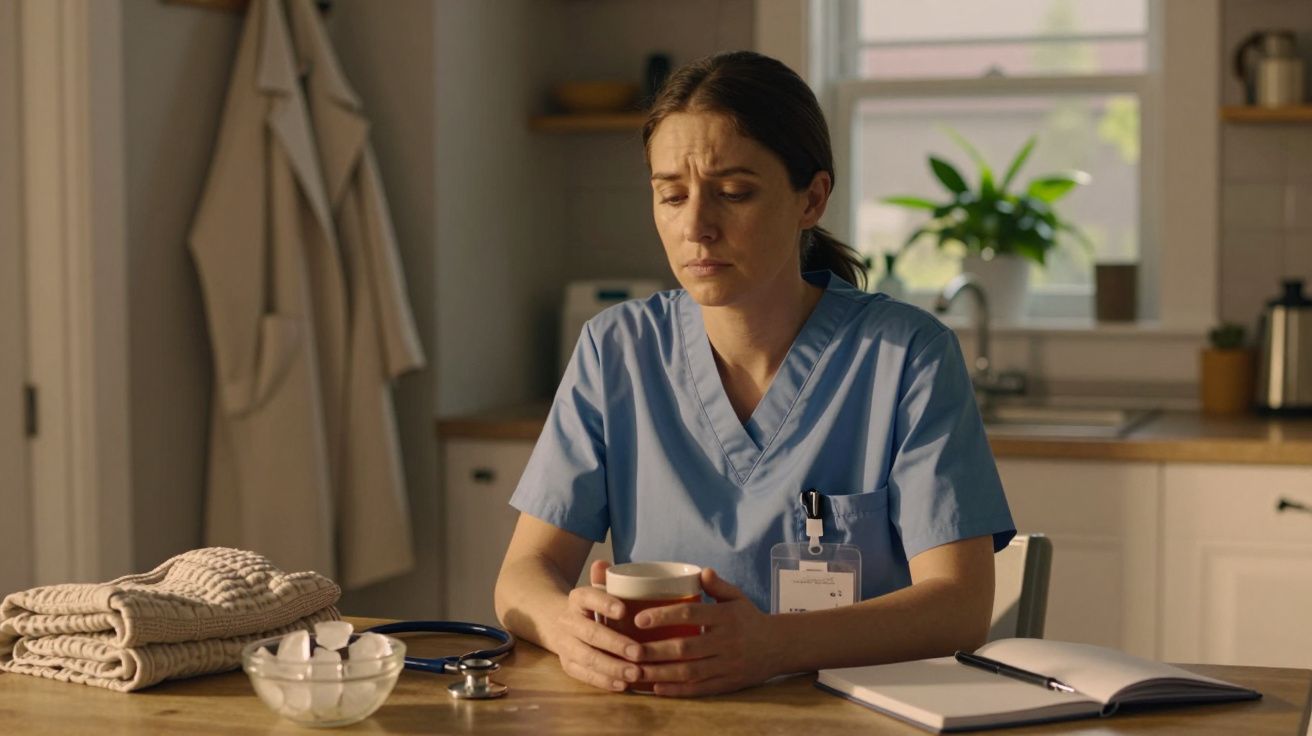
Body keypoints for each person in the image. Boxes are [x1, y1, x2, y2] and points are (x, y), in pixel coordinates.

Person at [494, 50, 1014, 697]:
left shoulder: (906, 355)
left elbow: (959, 606)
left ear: (812, 199)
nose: (696, 227)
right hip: (662, 715)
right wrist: (564, 625)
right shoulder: (615, 350)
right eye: (671, 195)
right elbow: (525, 572)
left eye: (733, 193)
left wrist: (770, 647)